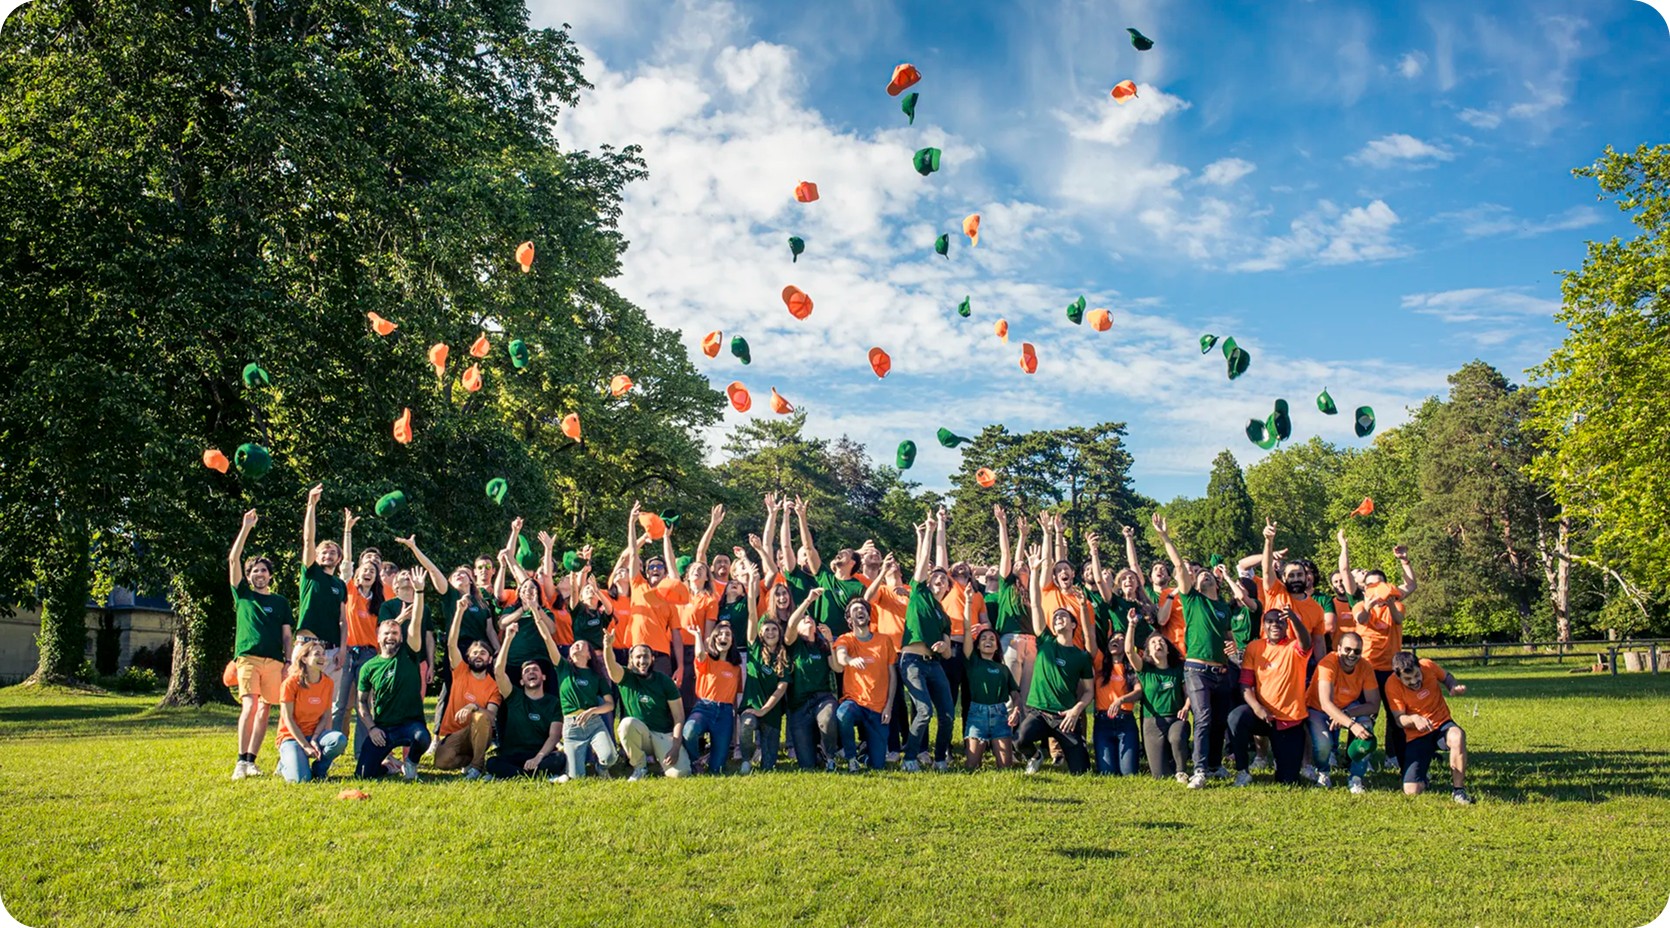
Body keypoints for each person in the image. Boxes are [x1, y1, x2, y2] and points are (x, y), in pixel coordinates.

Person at [1152, 514, 1237, 788]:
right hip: (1197, 668)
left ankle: (1214, 765)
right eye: (1198, 575)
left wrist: (1233, 642)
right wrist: (1165, 537)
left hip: (1221, 670)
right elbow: (1178, 565)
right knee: (1203, 718)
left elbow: (1226, 634)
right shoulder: (1192, 600)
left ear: (1216, 582)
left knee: (1219, 721)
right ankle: (1198, 770)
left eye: (1206, 575)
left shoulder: (1223, 607)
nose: (1201, 577)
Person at [1339, 532, 1418, 772]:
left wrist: (1404, 562)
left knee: (1397, 716)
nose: (1376, 588)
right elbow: (1361, 618)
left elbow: (1401, 610)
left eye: (1379, 584)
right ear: (1365, 588)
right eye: (1371, 585)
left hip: (1392, 669)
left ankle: (1395, 758)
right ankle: (1356, 757)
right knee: (1363, 716)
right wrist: (1344, 545)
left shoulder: (1395, 603)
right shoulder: (1361, 604)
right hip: (1367, 668)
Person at [1016, 545, 1094, 775]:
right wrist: (1034, 570)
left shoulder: (1080, 656)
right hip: (1039, 712)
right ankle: (1036, 755)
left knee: (1082, 770)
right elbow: (1037, 603)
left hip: (1064, 716)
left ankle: (1069, 753)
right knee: (1020, 740)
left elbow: (1088, 691)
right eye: (1056, 617)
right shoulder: (1046, 641)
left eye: (1064, 617)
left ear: (1072, 625)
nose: (1059, 618)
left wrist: (1076, 711)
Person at [228, 509, 293, 780]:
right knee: (250, 706)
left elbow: (287, 635)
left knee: (265, 709)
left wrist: (288, 662)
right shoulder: (242, 595)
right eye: (255, 571)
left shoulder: (280, 602)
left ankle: (252, 761)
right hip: (248, 659)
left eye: (264, 571)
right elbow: (233, 558)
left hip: (275, 662)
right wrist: (246, 528)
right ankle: (240, 762)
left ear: (270, 576)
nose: (260, 574)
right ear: (249, 575)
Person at [354, 569, 432, 779]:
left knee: (423, 737)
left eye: (395, 633)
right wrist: (371, 728)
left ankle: (411, 763)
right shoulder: (369, 667)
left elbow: (415, 625)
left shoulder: (410, 654)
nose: (391, 637)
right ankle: (387, 767)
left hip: (410, 725)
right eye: (386, 633)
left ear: (401, 636)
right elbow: (361, 702)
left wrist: (419, 592)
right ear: (378, 637)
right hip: (383, 730)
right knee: (363, 775)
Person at [899, 516, 957, 772]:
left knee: (947, 715)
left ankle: (941, 758)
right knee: (923, 711)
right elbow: (922, 563)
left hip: (934, 665)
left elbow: (946, 649)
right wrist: (929, 532)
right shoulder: (919, 594)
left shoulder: (944, 615)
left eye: (944, 580)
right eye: (936, 577)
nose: (940, 581)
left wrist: (945, 648)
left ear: (948, 587)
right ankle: (909, 758)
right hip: (911, 661)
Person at [1384, 652, 1472, 804]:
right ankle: (1423, 777)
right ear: (1398, 677)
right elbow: (1399, 720)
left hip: (1441, 724)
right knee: (1411, 791)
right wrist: (1414, 719)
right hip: (1417, 735)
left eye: (1417, 675)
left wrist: (1452, 687)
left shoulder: (1428, 665)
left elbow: (1447, 677)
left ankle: (1459, 790)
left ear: (1420, 667)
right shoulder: (1391, 684)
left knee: (1457, 735)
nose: (1414, 681)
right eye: (1408, 679)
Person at [604, 630, 691, 779]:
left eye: (646, 656)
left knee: (680, 774)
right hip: (639, 734)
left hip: (663, 734)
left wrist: (676, 747)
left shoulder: (664, 681)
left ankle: (662, 758)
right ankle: (640, 767)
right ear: (631, 659)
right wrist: (607, 647)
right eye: (638, 657)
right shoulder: (626, 678)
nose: (642, 661)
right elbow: (612, 668)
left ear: (652, 659)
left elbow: (678, 717)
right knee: (626, 724)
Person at [484, 620, 566, 779]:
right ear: (522, 681)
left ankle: (517, 775)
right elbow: (499, 673)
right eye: (527, 671)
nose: (531, 672)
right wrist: (508, 639)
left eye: (535, 670)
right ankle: (531, 774)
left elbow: (554, 736)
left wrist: (538, 757)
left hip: (538, 754)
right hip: (512, 754)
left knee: (559, 759)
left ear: (543, 677)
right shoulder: (513, 695)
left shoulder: (553, 702)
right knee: (492, 762)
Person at [433, 595, 503, 779]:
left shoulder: (493, 686)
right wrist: (459, 612)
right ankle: (469, 761)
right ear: (468, 656)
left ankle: (477, 767)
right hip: (454, 734)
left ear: (489, 659)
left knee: (480, 717)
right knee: (441, 762)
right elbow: (451, 643)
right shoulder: (460, 671)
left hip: (479, 732)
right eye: (475, 653)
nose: (479, 655)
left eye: (483, 653)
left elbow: (491, 716)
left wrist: (473, 707)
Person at [297, 486, 351, 716]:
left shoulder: (340, 585)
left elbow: (342, 620)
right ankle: (293, 744)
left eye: (332, 553)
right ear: (317, 556)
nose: (327, 556)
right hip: (308, 644)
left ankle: (321, 746)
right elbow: (309, 539)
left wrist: (343, 649)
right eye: (323, 553)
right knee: (299, 694)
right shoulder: (311, 574)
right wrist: (312, 505)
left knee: (327, 701)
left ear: (338, 559)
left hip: (331, 650)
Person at [1306, 631, 1381, 793]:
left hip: (1347, 707)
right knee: (1324, 744)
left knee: (1366, 729)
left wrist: (1347, 714)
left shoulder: (1365, 666)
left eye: (1357, 651)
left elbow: (1374, 704)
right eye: (1347, 649)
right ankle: (1323, 773)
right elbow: (1326, 703)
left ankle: (1356, 777)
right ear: (1338, 648)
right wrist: (1351, 724)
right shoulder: (1328, 663)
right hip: (1318, 708)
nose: (1352, 654)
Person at [620, 501, 686, 683]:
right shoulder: (638, 584)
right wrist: (632, 523)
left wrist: (680, 666)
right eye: (651, 566)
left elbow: (677, 636)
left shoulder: (669, 597)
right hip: (636, 652)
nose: (655, 569)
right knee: (634, 698)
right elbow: (633, 553)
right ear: (646, 572)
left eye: (659, 566)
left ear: (664, 572)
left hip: (661, 656)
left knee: (661, 701)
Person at [332, 533, 382, 760]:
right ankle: (330, 749)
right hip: (347, 652)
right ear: (358, 575)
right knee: (339, 705)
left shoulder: (379, 601)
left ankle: (361, 752)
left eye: (373, 570)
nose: (368, 573)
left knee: (364, 705)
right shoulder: (349, 589)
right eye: (365, 570)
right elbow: (346, 563)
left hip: (369, 655)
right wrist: (349, 531)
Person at [1124, 610, 1190, 781]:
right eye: (1153, 643)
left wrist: (1186, 707)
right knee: (1160, 775)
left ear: (1168, 650)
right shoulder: (1145, 670)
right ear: (1148, 651)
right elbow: (1129, 652)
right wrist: (1131, 625)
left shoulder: (1178, 669)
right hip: (1152, 722)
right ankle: (1168, 762)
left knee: (1176, 737)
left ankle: (1182, 771)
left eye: (1161, 642)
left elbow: (1189, 694)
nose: (1157, 644)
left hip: (1175, 718)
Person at [833, 599, 898, 771]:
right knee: (843, 713)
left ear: (869, 616)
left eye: (863, 609)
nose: (860, 612)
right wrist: (850, 660)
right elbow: (840, 656)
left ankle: (865, 757)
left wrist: (889, 706)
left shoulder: (884, 641)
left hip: (878, 707)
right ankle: (851, 757)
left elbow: (892, 674)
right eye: (855, 610)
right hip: (855, 702)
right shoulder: (846, 639)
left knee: (878, 764)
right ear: (849, 620)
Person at [782, 587, 841, 770]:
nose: (807, 618)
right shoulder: (794, 645)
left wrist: (831, 641)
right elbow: (791, 624)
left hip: (822, 698)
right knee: (806, 765)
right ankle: (816, 751)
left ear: (816, 628)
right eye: (803, 619)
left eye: (810, 619)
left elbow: (837, 667)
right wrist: (808, 600)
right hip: (799, 704)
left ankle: (830, 755)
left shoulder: (822, 645)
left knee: (828, 718)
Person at [275, 634, 347, 783]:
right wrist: (305, 746)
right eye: (317, 654)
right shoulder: (290, 683)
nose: (323, 658)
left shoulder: (328, 683)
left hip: (315, 734)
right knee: (301, 780)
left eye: (323, 654)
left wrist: (314, 740)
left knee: (338, 740)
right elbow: (287, 719)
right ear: (304, 659)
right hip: (291, 737)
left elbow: (326, 715)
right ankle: (284, 764)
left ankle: (319, 770)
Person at [741, 563, 790, 774]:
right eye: (766, 629)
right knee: (747, 724)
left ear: (779, 634)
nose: (770, 632)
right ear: (760, 633)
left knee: (769, 766)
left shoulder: (783, 657)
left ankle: (765, 754)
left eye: (773, 629)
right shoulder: (754, 648)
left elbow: (781, 688)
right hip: (751, 707)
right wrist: (753, 583)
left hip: (771, 712)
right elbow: (752, 614)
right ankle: (745, 758)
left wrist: (765, 710)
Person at [551, 635, 617, 780]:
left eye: (581, 644)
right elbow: (547, 640)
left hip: (594, 723)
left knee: (610, 757)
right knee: (576, 778)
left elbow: (610, 704)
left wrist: (593, 710)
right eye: (574, 644)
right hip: (572, 727)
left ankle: (601, 768)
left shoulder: (596, 676)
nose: (575, 646)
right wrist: (537, 617)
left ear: (589, 655)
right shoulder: (563, 668)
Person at [683, 622, 744, 775]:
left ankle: (711, 759)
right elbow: (699, 654)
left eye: (727, 635)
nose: (724, 637)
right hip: (704, 708)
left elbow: (736, 697)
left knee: (717, 769)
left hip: (725, 713)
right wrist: (697, 635)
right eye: (720, 634)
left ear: (732, 641)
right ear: (714, 639)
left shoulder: (736, 668)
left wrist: (736, 719)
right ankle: (695, 762)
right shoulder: (707, 660)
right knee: (689, 730)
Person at [1087, 611, 1140, 776]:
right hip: (1103, 722)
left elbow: (1139, 692)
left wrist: (1120, 700)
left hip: (1126, 722)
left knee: (1129, 773)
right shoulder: (1099, 663)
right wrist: (1083, 607)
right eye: (1113, 639)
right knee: (1107, 773)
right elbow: (1089, 636)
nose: (1116, 641)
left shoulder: (1132, 667)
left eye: (1121, 639)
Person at [962, 623, 1021, 771]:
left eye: (992, 639)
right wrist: (969, 602)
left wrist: (1015, 710)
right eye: (983, 638)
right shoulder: (973, 662)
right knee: (971, 766)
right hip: (977, 715)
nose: (988, 641)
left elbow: (1015, 693)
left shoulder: (1003, 669)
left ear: (997, 647)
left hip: (1000, 716)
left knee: (1005, 767)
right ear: (977, 646)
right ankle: (979, 746)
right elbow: (967, 629)